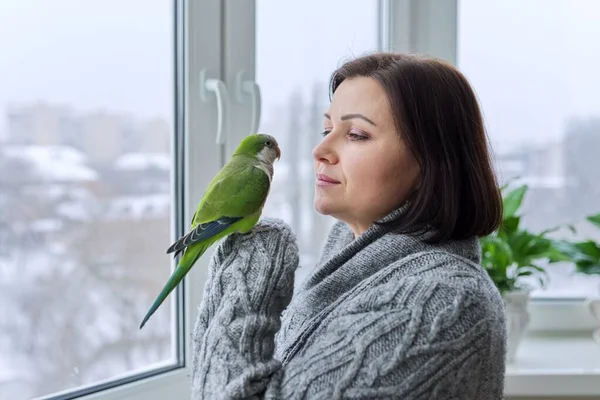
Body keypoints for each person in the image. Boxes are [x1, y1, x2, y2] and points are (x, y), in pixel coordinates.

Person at [190, 52, 507, 399]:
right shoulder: (350, 261)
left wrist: (249, 274)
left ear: (430, 163)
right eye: (327, 129)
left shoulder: (443, 301)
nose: (320, 149)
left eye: (356, 134)